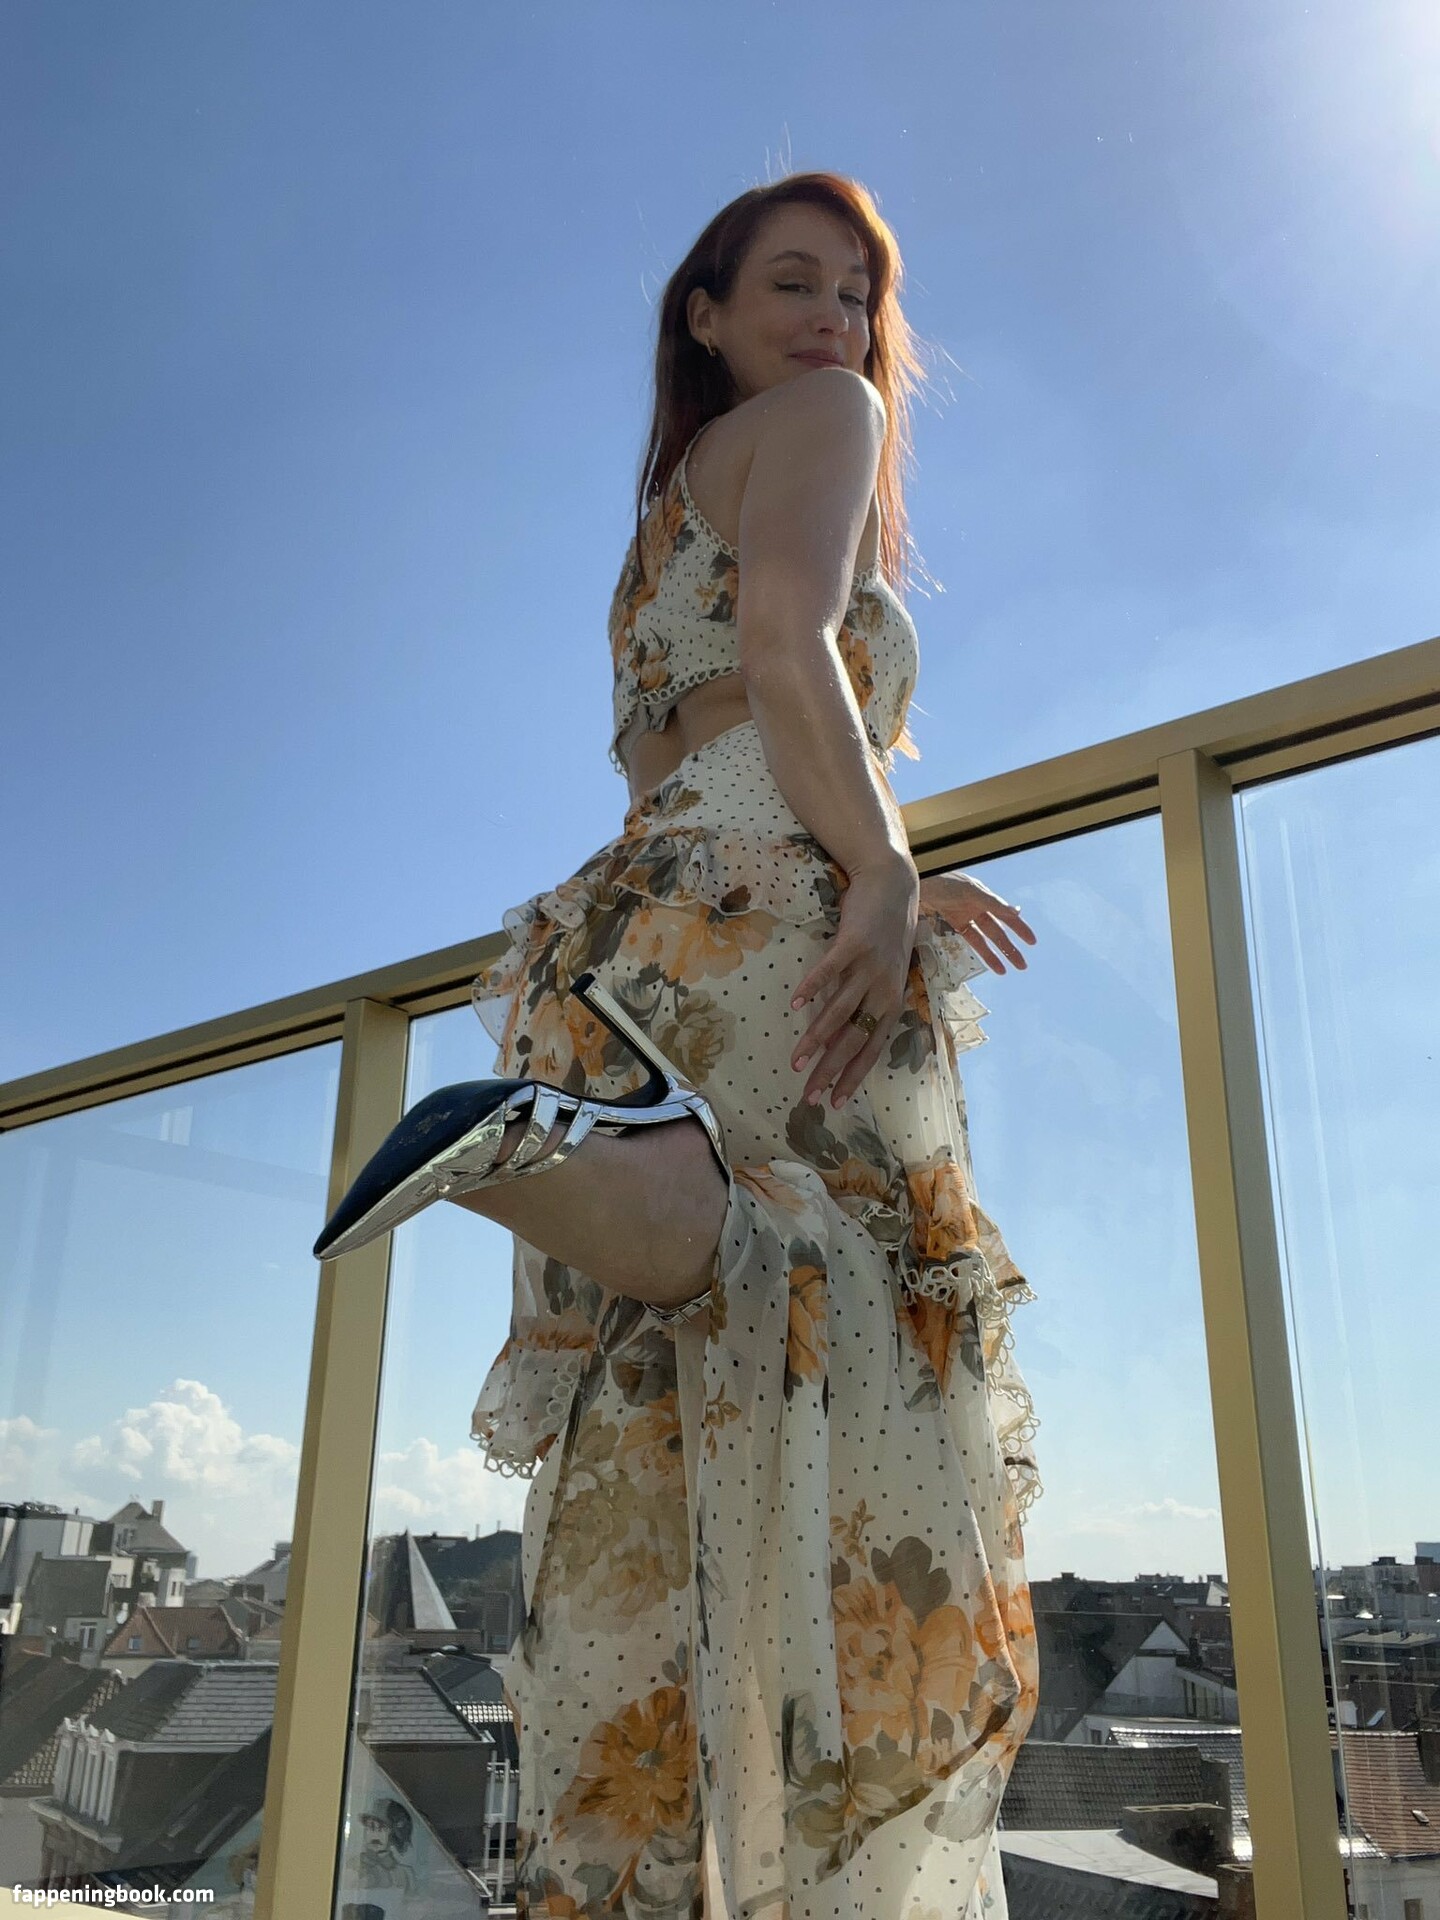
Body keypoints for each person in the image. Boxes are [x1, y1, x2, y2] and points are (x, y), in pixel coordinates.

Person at [315, 172, 1044, 1919]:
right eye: (793, 283)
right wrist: (881, 872)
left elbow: (685, 746)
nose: (837, 323)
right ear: (703, 314)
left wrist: (867, 852)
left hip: (641, 924)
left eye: (858, 296)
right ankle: (562, 1165)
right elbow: (789, 654)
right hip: (779, 896)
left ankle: (560, 1160)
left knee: (688, 1362)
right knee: (855, 1315)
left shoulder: (664, 514)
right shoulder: (829, 423)